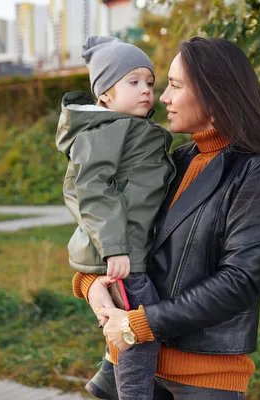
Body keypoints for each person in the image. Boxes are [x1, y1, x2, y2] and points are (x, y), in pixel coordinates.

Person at [77, 36, 260, 399]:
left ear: (215, 95)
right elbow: (126, 236)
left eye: (174, 85)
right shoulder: (174, 162)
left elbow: (239, 282)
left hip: (202, 382)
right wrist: (90, 286)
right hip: (138, 370)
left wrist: (140, 323)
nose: (162, 97)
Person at [55, 36, 174, 399]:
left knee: (134, 326)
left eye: (150, 83)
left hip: (130, 252)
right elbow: (92, 187)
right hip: (122, 257)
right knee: (138, 337)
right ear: (104, 94)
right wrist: (115, 248)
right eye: (133, 82)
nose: (146, 91)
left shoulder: (132, 128)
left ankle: (108, 376)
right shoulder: (106, 130)